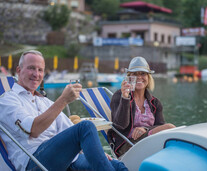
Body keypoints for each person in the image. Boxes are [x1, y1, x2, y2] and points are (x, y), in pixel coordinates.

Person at [0, 50, 128, 171]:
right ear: (18, 70)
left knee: (116, 165)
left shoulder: (45, 102)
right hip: (35, 161)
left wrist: (97, 153)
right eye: (31, 68)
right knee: (85, 126)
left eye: (40, 70)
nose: (36, 74)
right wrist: (63, 100)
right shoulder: (8, 100)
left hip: (65, 159)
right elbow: (33, 130)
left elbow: (68, 131)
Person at [107, 56, 175, 157]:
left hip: (149, 141)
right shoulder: (119, 96)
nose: (139, 77)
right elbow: (120, 125)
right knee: (170, 127)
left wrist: (145, 129)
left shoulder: (155, 102)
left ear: (148, 77)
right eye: (134, 74)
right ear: (129, 77)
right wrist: (125, 98)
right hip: (127, 145)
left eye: (143, 73)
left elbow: (160, 127)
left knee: (170, 130)